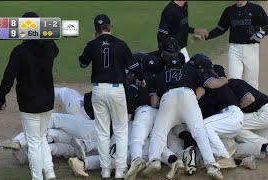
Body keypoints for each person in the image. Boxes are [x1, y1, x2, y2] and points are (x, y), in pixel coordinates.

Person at [143, 38, 227, 180]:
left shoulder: (159, 76)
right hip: (188, 97)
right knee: (199, 132)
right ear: (182, 63)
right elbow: (211, 84)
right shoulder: (190, 72)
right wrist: (224, 78)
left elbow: (154, 103)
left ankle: (154, 160)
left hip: (167, 99)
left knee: (159, 133)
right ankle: (212, 166)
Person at [78, 14, 143, 178]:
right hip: (116, 90)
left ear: (96, 30)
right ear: (110, 27)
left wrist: (93, 44)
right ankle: (120, 170)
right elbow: (134, 66)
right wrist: (141, 79)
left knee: (102, 132)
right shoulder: (120, 44)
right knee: (121, 131)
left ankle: (105, 170)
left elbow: (82, 63)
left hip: (98, 90)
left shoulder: (92, 44)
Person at [0, 11, 58, 180]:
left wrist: (1, 97)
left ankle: (37, 177)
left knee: (34, 142)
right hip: (47, 102)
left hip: (29, 104)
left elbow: (8, 78)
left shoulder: (19, 52)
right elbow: (53, 46)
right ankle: (50, 173)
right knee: (42, 138)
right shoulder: (50, 47)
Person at [205, 0, 268, 89]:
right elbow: (220, 29)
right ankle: (236, 103)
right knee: (233, 81)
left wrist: (261, 33)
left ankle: (255, 102)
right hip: (234, 49)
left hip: (251, 50)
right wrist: (206, 36)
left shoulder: (256, 9)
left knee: (251, 83)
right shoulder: (229, 11)